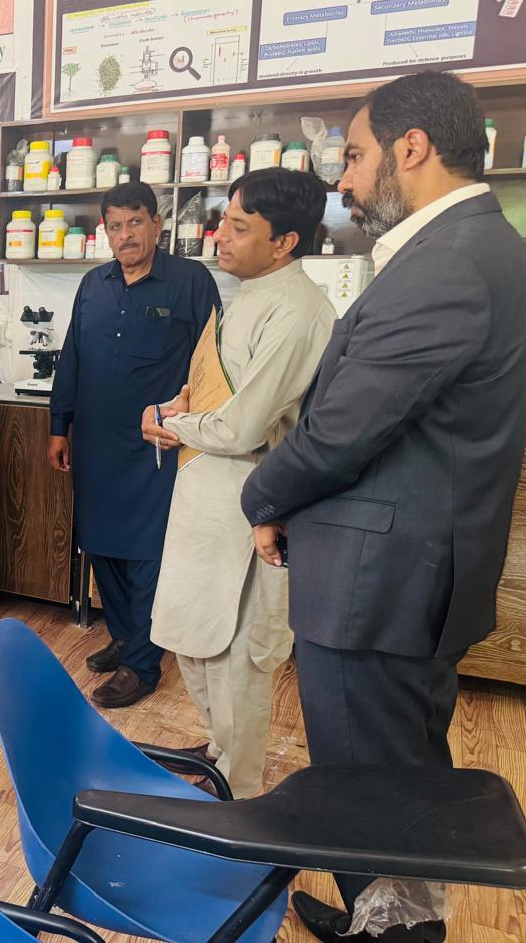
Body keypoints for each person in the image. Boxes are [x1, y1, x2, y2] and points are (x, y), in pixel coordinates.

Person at [240, 72, 526, 942]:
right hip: (408, 576)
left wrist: (261, 496)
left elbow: (342, 430)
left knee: (366, 786)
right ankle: (381, 920)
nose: (343, 178)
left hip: (377, 590)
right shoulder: (472, 246)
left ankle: (397, 934)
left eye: (354, 155)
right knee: (399, 776)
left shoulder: (449, 260)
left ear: (412, 148)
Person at [140, 168, 335, 799]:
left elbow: (246, 425)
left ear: (285, 242)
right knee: (195, 644)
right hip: (203, 496)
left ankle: (242, 793)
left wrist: (173, 423)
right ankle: (219, 756)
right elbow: (216, 388)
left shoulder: (298, 310)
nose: (220, 235)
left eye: (240, 226)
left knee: (238, 658)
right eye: (224, 220)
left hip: (251, 510)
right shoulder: (246, 293)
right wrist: (178, 405)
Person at [48, 182, 216, 708]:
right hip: (96, 442)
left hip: (156, 446)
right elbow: (72, 358)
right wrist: (59, 425)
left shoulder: (190, 281)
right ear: (106, 231)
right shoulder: (93, 285)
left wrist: (192, 419)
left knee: (147, 554)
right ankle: (125, 638)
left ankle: (142, 666)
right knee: (100, 545)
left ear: (156, 224)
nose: (126, 235)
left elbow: (210, 364)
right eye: (116, 226)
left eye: (136, 223)